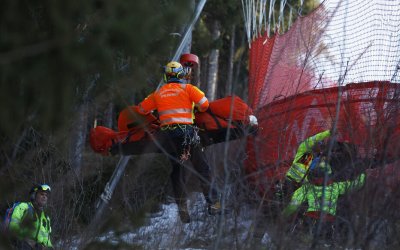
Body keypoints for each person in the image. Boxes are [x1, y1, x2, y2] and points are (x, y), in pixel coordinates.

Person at [137, 61, 220, 223]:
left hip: (168, 138)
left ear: (166, 76)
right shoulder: (189, 89)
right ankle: (214, 206)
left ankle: (183, 210)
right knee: (202, 168)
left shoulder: (158, 93)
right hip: (187, 134)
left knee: (177, 172)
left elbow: (141, 109)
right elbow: (205, 105)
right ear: (181, 75)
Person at [282, 160, 366, 244]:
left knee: (303, 237)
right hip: (328, 223)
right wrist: (363, 173)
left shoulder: (306, 188)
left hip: (310, 222)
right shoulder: (336, 187)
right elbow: (355, 185)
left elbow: (293, 205)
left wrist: (283, 216)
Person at [278, 130, 332, 199]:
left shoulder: (319, 159)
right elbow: (312, 140)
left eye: (321, 145)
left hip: (300, 187)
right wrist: (328, 132)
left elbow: (326, 171)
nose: (319, 146)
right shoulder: (303, 150)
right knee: (282, 200)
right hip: (290, 182)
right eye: (318, 144)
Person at [8, 184, 53, 249]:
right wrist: (30, 244)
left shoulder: (46, 218)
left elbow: (47, 241)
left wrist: (50, 248)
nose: (44, 197)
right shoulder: (23, 207)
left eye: (46, 195)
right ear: (34, 195)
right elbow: (13, 230)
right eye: (42, 194)